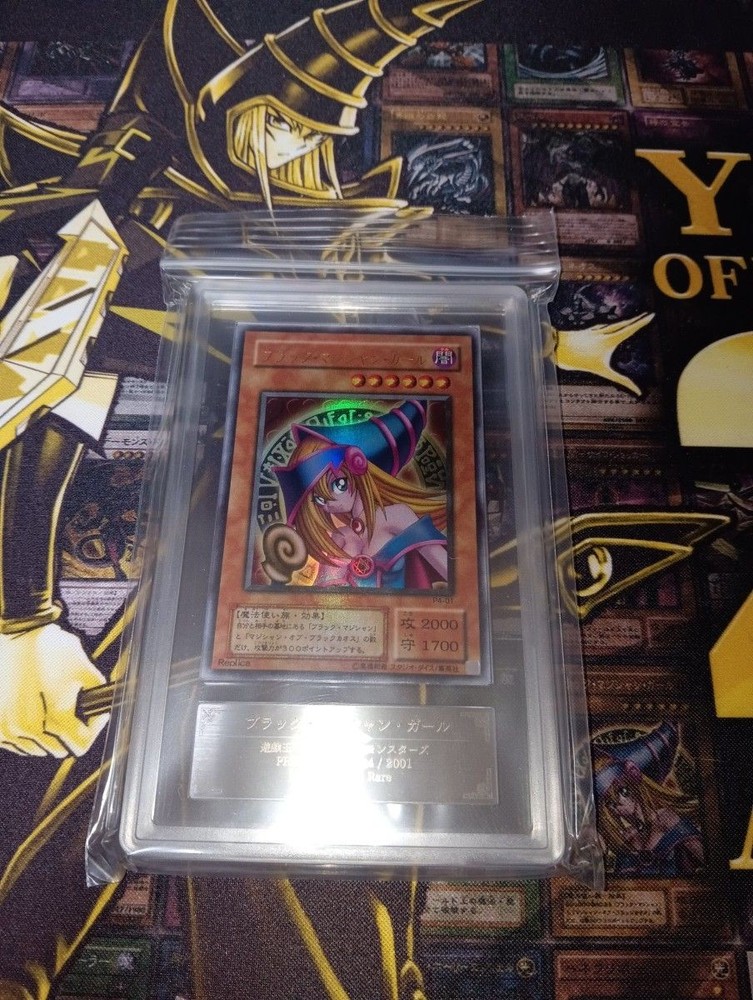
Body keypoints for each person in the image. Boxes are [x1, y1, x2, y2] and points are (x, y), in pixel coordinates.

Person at [269, 405, 447, 589]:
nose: (329, 504)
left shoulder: (397, 515)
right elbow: (322, 594)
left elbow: (447, 569)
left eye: (338, 485)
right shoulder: (341, 537)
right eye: (319, 500)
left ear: (357, 469)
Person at [594, 721, 704, 877]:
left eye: (623, 791)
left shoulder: (666, 819)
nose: (619, 803)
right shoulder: (625, 838)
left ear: (637, 785)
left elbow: (710, 863)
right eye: (610, 802)